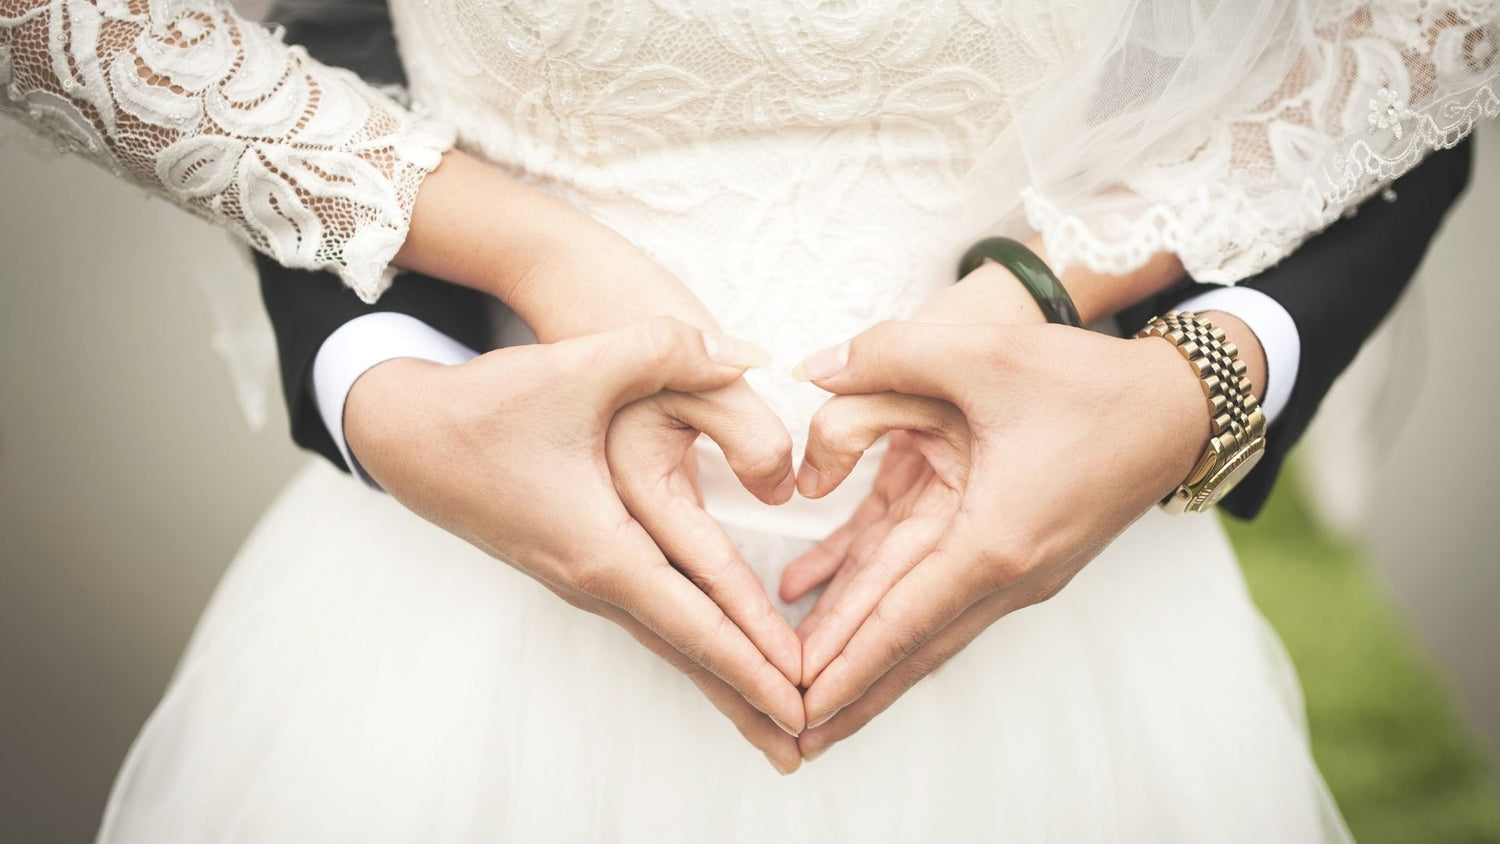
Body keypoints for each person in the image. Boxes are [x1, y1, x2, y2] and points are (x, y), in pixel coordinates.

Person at [0, 1, 1493, 840]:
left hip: (1057, 612)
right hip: (472, 610)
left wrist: (1131, 349)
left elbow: (1421, 36)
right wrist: (511, 267)